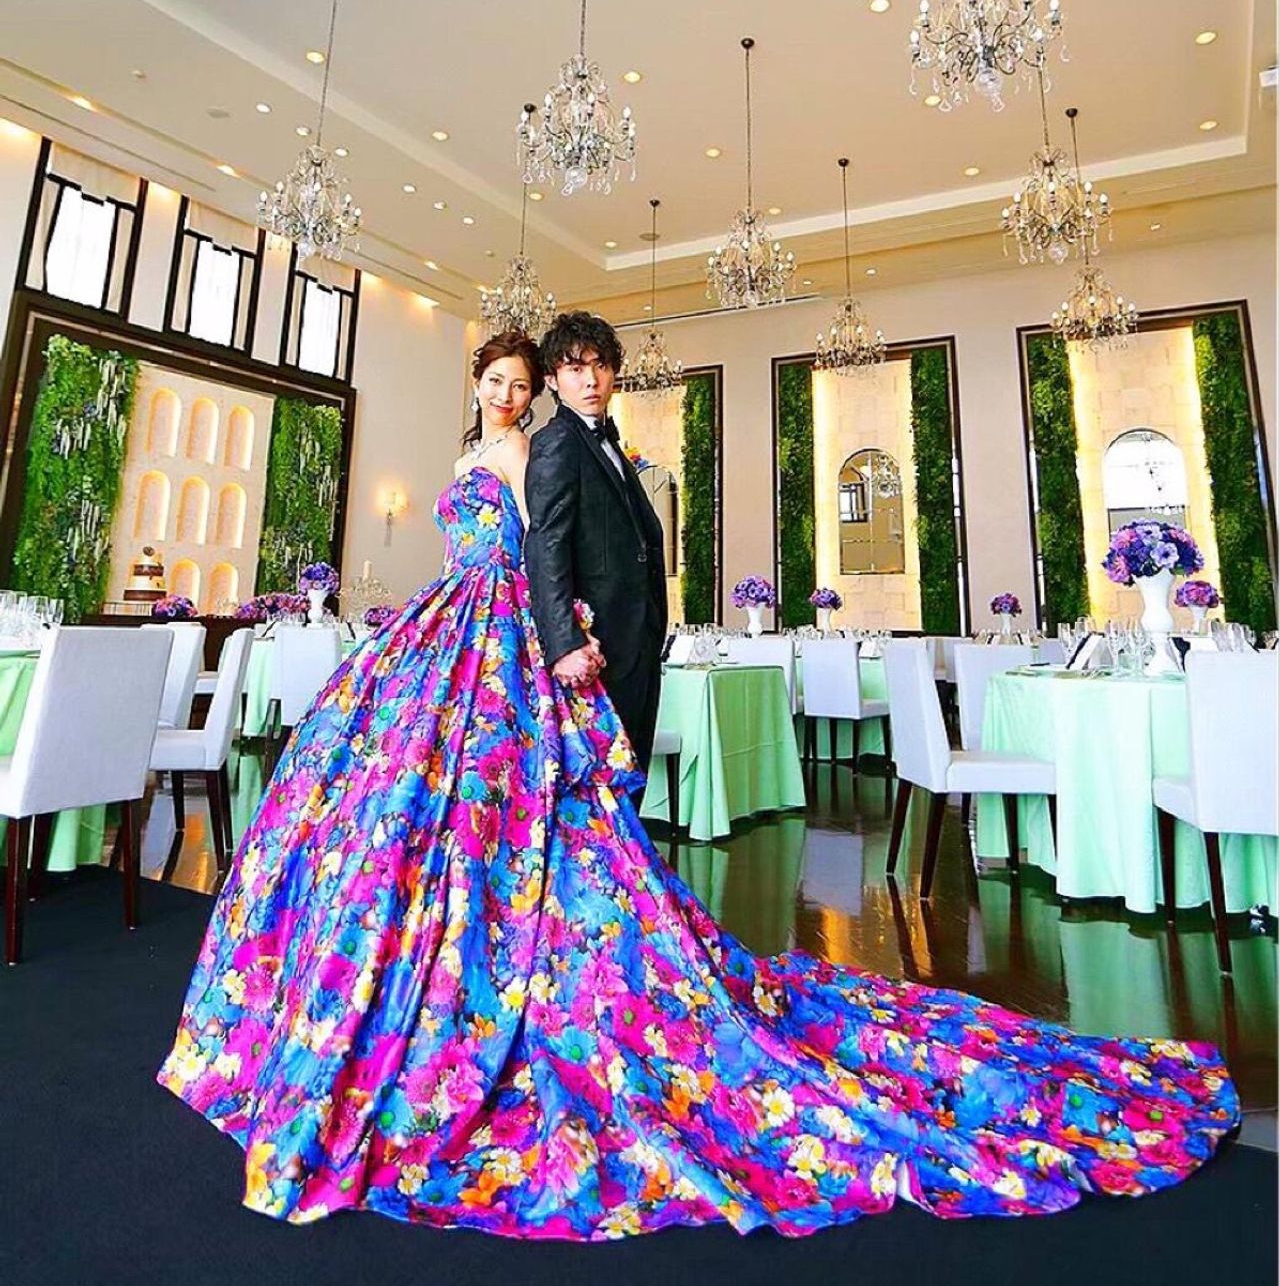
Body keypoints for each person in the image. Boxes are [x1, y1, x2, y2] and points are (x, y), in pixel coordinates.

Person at [159, 327, 1237, 1237]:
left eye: (526, 381)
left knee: (525, 810)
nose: (512, 394)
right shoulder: (487, 456)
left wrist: (563, 630)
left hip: (516, 635)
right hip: (457, 626)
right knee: (387, 791)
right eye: (503, 380)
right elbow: (532, 552)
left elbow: (546, 556)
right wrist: (561, 629)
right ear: (481, 383)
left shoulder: (536, 450)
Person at [524, 311, 667, 772]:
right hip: (594, 643)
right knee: (601, 782)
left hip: (635, 636)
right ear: (552, 379)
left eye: (600, 365)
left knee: (631, 774)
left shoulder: (609, 444)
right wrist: (564, 643)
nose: (591, 380)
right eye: (575, 368)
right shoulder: (557, 441)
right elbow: (545, 544)